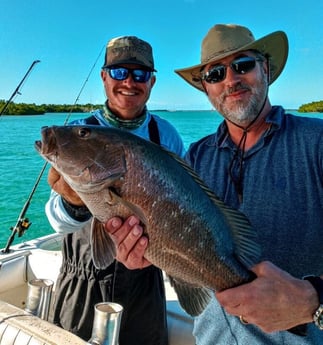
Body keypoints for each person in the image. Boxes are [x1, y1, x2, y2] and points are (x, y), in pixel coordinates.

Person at [104, 24, 323, 344]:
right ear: (206, 88)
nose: (230, 80)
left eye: (243, 65)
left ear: (265, 68)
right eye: (215, 74)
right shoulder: (194, 158)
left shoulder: (316, 143)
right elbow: (175, 242)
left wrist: (312, 301)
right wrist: (141, 249)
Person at [45, 35, 186, 345]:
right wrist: (76, 201)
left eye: (140, 74)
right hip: (82, 280)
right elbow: (55, 218)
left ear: (152, 82)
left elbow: (186, 205)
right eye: (120, 72)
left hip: (146, 278)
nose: (130, 82)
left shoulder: (166, 134)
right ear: (104, 76)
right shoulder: (78, 133)